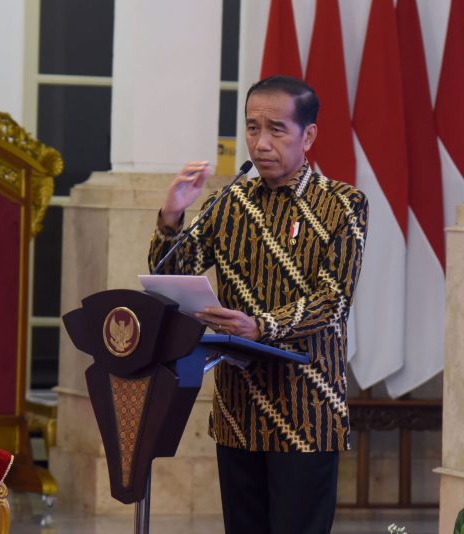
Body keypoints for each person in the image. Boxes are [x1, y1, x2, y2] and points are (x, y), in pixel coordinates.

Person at [148, 75, 369, 533]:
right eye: (252, 128)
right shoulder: (230, 201)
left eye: (276, 129)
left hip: (306, 409)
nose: (260, 142)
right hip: (238, 408)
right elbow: (172, 272)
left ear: (308, 135)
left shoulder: (342, 204)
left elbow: (333, 301)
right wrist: (172, 214)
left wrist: (260, 325)